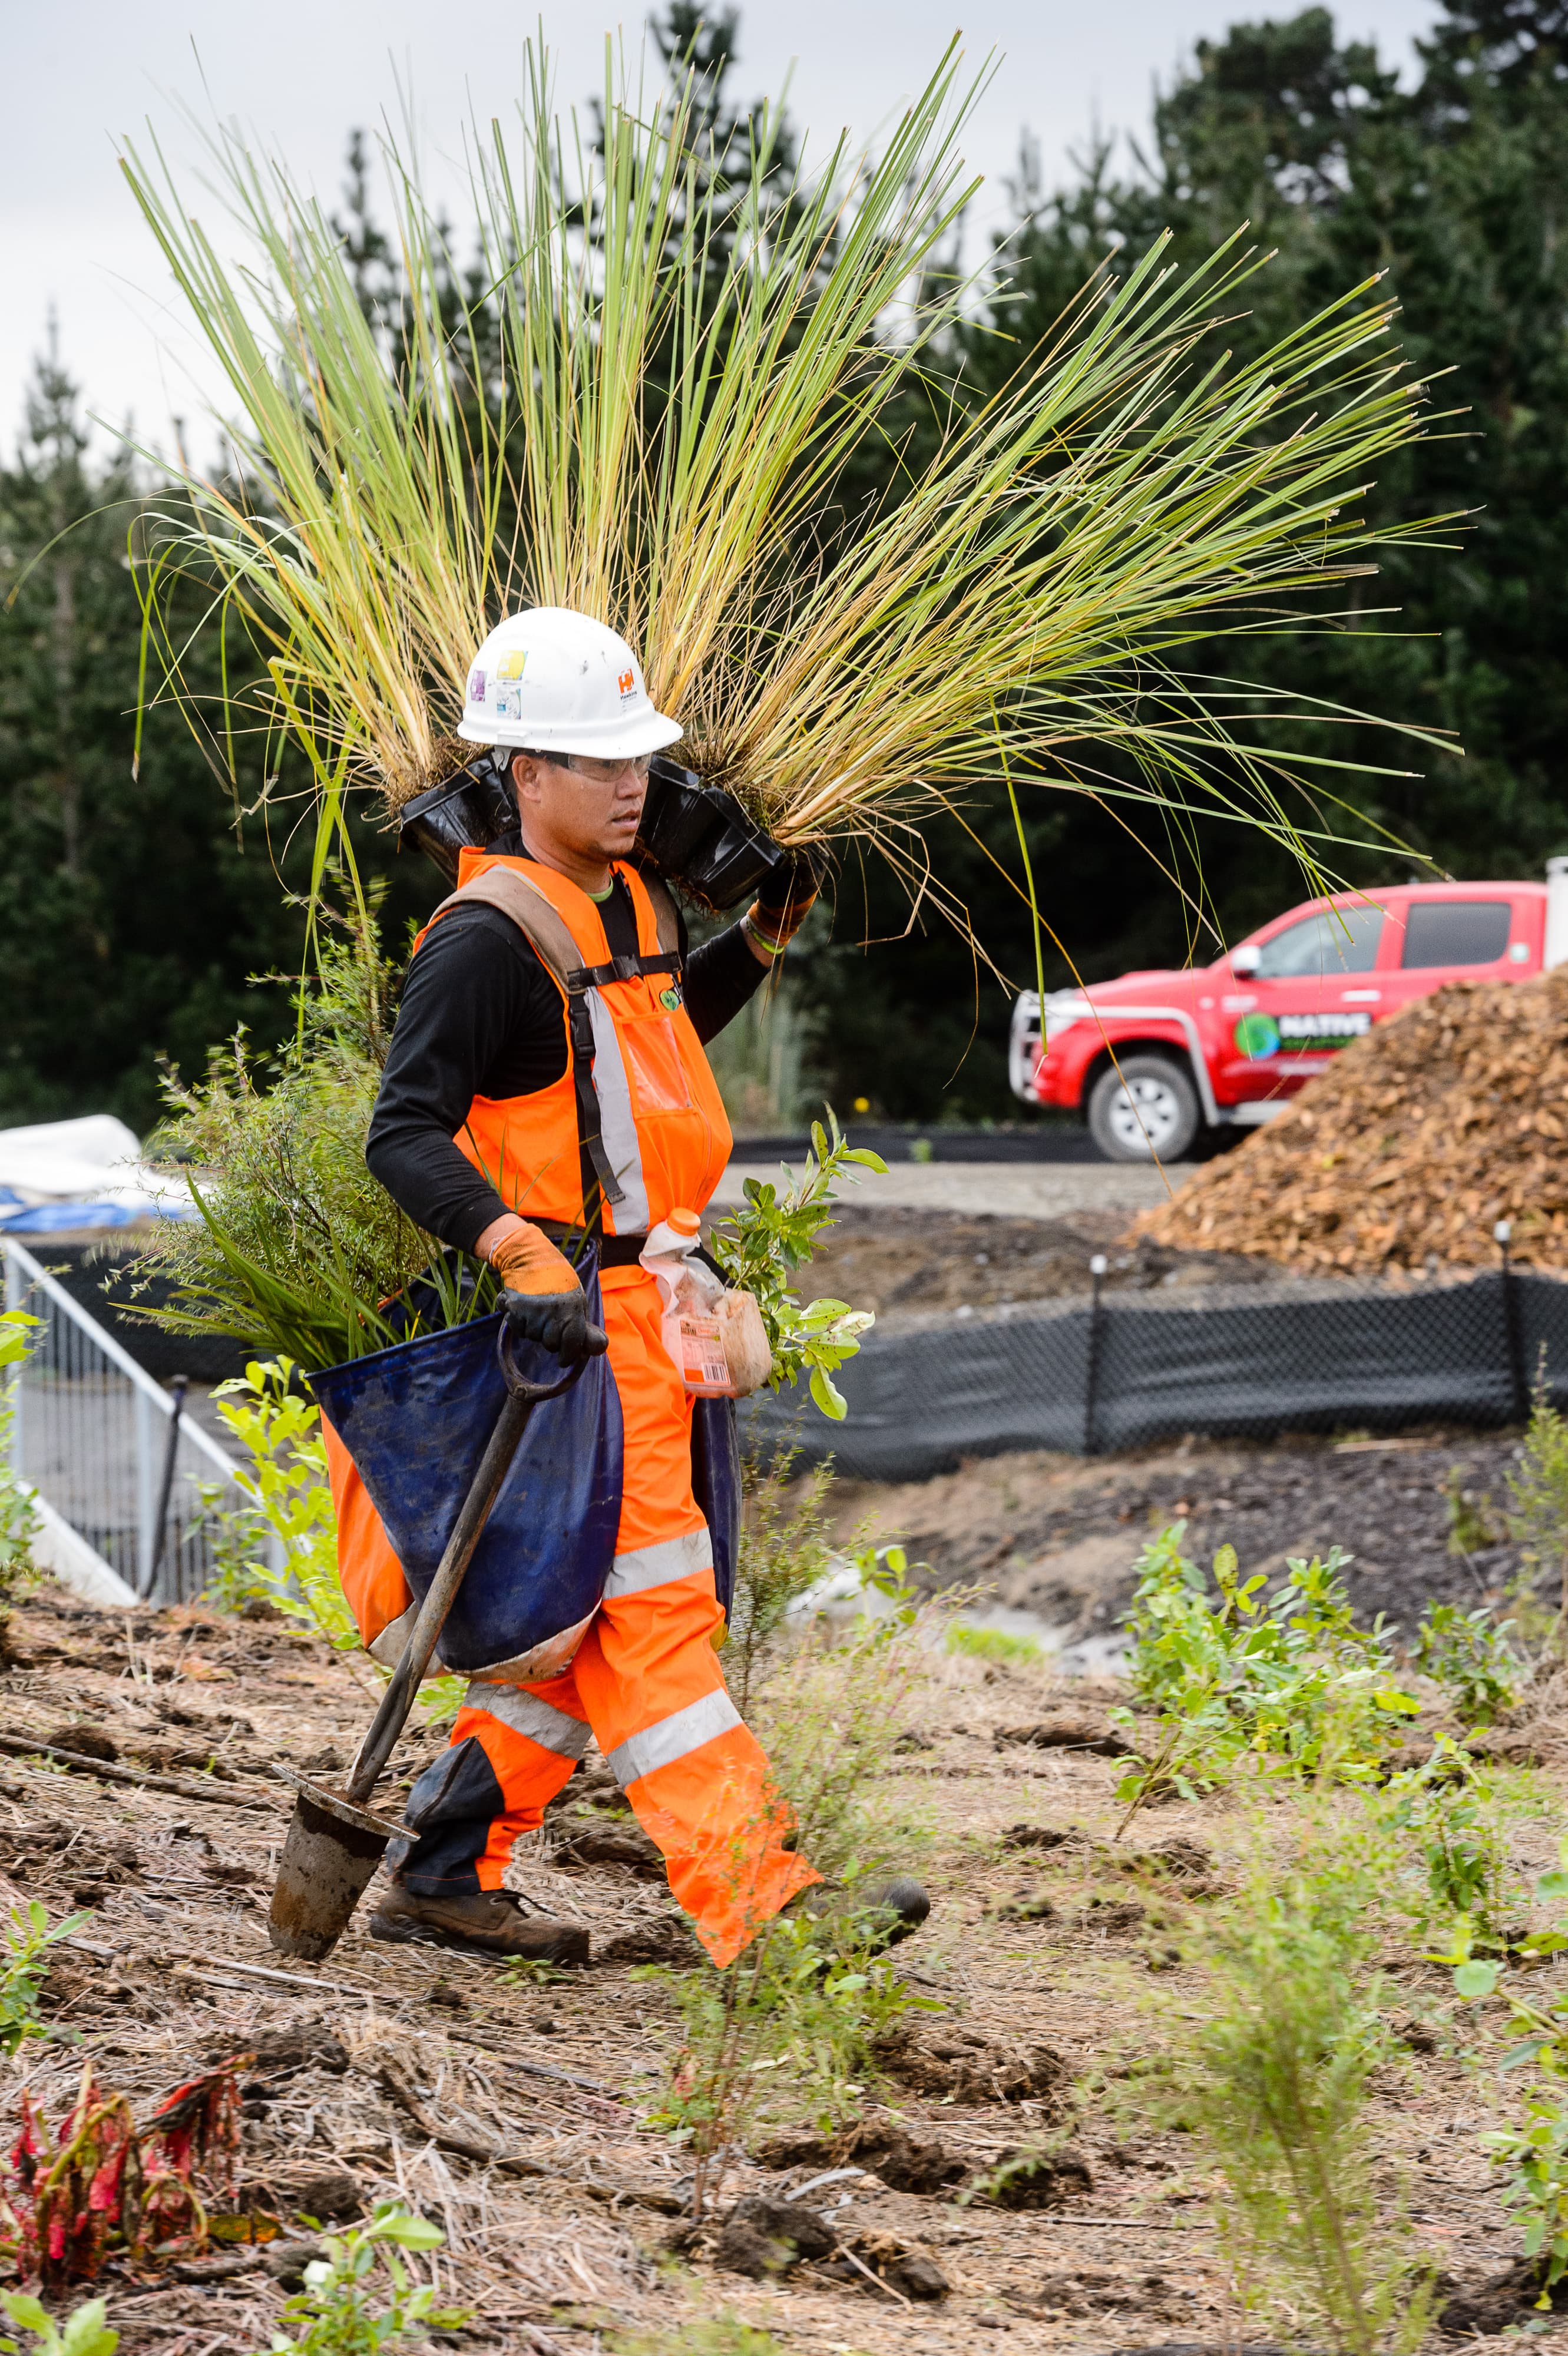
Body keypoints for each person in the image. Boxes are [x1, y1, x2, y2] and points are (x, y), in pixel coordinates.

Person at [335, 605, 928, 1970]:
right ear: (518, 772)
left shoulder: (634, 898)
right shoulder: (482, 938)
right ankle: (762, 1902)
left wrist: (758, 942)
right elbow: (402, 1129)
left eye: (638, 759)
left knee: (585, 1617)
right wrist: (517, 1251)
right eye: (594, 761)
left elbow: (630, 1037)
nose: (630, 783)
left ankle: (438, 1860)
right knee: (654, 1610)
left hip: (651, 1310)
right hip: (568, 1326)